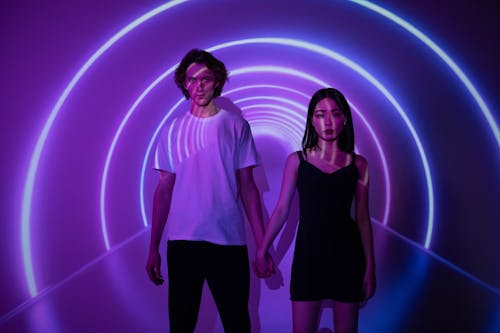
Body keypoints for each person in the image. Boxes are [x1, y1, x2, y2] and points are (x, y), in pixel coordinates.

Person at [145, 48, 273, 333]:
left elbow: (249, 188)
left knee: (238, 324)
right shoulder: (172, 130)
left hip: (228, 241)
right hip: (182, 242)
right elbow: (163, 190)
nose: (198, 85)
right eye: (191, 79)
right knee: (181, 325)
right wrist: (153, 247)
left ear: (217, 81)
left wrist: (262, 246)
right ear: (184, 84)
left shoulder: (236, 125)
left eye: (205, 78)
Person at [255, 88, 376, 333]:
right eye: (321, 114)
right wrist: (262, 249)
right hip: (308, 256)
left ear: (345, 119)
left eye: (335, 114)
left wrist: (370, 268)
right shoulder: (296, 161)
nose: (328, 121)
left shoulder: (360, 165)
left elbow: (363, 218)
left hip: (347, 257)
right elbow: (281, 210)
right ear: (312, 119)